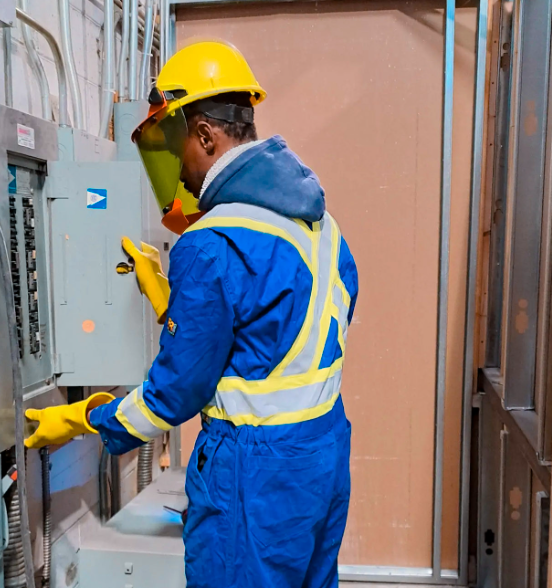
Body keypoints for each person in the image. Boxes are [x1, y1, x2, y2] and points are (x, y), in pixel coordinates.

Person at [25, 40, 358, 588]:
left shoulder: (212, 242)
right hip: (319, 456)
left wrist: (83, 419)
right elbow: (278, 330)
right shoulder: (317, 221)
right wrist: (173, 306)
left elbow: (172, 397)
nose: (179, 167)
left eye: (178, 145)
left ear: (205, 134)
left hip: (253, 474)